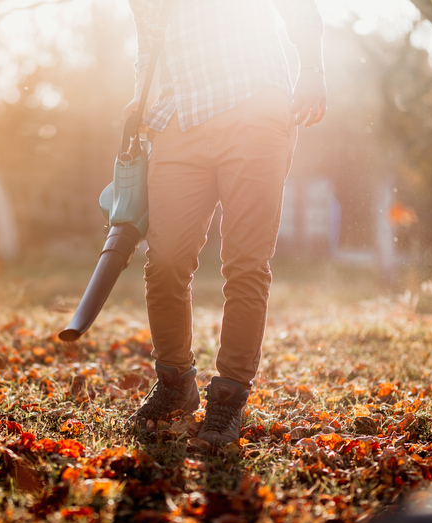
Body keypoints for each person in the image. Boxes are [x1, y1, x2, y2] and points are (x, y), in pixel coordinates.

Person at [124, 0, 327, 447]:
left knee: (245, 262)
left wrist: (312, 67)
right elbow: (149, 48)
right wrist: (138, 103)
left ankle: (228, 398)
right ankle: (175, 382)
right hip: (178, 120)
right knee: (166, 261)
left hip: (253, 102)